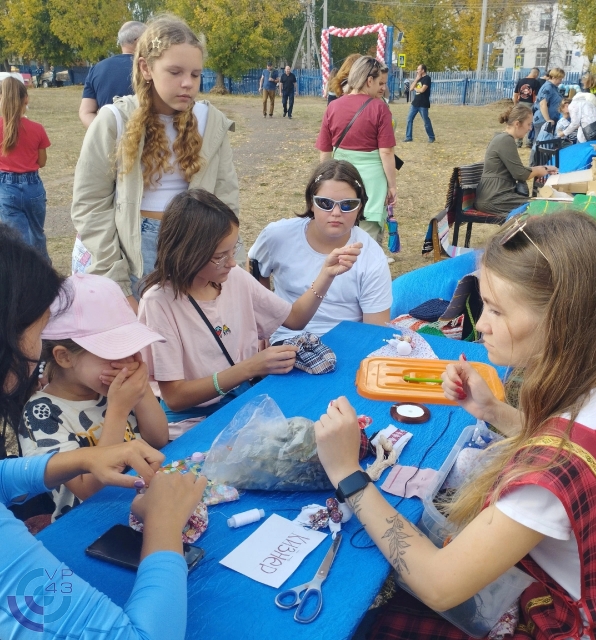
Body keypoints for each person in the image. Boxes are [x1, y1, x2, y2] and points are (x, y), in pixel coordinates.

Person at [314, 211, 596, 639]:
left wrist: (348, 474)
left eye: (497, 310)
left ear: (561, 319)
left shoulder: (547, 477)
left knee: (372, 620)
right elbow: (577, 443)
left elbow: (439, 584)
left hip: (579, 623)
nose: (481, 325)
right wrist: (494, 412)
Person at [0, 224, 207, 639]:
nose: (31, 362)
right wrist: (165, 524)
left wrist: (86, 453)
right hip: (84, 532)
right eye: (32, 338)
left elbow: (157, 436)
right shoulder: (45, 409)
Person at [138, 189, 361, 433]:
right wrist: (251, 367)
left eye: (232, 251)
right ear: (187, 253)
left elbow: (295, 319)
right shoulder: (158, 302)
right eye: (219, 257)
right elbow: (175, 397)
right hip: (191, 423)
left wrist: (326, 275)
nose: (232, 262)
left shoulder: (234, 279)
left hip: (245, 404)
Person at [70, 14, 241, 313]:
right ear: (146, 67)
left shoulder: (210, 122)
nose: (187, 83)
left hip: (195, 244)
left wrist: (225, 258)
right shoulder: (113, 121)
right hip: (134, 248)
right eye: (175, 72)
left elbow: (226, 199)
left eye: (196, 74)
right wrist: (119, 283)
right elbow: (90, 206)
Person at [19, 273, 169, 521]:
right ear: (64, 357)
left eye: (132, 350)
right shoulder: (41, 414)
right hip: (89, 523)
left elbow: (159, 439)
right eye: (114, 353)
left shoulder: (110, 387)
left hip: (141, 503)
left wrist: (141, 394)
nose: (128, 363)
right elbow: (87, 489)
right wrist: (118, 410)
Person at [248, 160, 392, 345]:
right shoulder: (276, 236)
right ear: (311, 203)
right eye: (325, 203)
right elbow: (255, 267)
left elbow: (374, 333)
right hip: (284, 341)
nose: (336, 212)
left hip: (346, 347)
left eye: (348, 204)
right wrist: (261, 326)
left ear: (360, 208)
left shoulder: (371, 257)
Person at [316, 56, 397, 246]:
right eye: (379, 82)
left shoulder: (333, 106)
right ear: (369, 80)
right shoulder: (380, 107)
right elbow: (386, 152)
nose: (382, 87)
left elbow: (325, 151)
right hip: (372, 182)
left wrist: (324, 180)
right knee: (367, 242)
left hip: (341, 177)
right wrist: (392, 186)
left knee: (340, 234)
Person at [0, 77, 50, 259]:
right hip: (33, 186)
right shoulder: (37, 129)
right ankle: (45, 276)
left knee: (17, 241)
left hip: (7, 187)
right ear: (26, 99)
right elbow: (42, 162)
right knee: (37, 235)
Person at [475, 104, 556, 217]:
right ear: (517, 124)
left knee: (539, 206)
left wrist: (543, 169)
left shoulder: (503, 138)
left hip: (496, 195)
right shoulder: (505, 140)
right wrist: (539, 171)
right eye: (528, 124)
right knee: (539, 208)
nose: (530, 128)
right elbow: (520, 174)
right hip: (494, 198)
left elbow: (517, 169)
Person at [79, 21, 146, 128]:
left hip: (111, 141)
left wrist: (106, 132)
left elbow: (86, 112)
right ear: (138, 41)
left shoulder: (97, 69)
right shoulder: (149, 68)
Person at [530, 67, 565, 163]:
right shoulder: (548, 87)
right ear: (554, 77)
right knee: (538, 143)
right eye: (560, 78)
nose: (561, 81)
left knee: (544, 144)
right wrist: (548, 119)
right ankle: (533, 165)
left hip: (548, 120)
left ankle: (540, 164)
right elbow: (542, 104)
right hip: (542, 120)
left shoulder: (554, 88)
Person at [403, 64, 435, 144]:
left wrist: (416, 88)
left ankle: (431, 137)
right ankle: (408, 137)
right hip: (415, 103)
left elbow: (422, 90)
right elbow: (410, 89)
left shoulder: (427, 78)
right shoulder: (418, 79)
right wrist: (416, 79)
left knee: (426, 121)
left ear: (423, 70)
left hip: (423, 104)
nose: (417, 71)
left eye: (418, 69)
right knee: (409, 119)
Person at [512, 68, 540, 147]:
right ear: (536, 74)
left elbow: (515, 94)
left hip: (520, 103)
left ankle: (518, 142)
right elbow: (537, 96)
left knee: (520, 122)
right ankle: (528, 141)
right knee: (529, 122)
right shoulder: (536, 82)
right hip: (530, 104)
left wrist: (515, 104)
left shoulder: (521, 81)